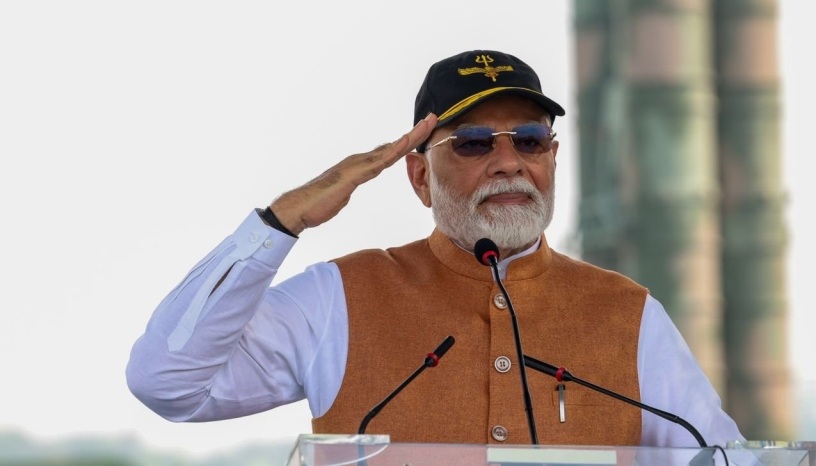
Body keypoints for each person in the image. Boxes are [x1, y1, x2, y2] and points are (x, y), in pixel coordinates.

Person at [126, 49, 744, 448]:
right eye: (474, 143)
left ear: (552, 158)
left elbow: (720, 457)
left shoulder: (626, 312)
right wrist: (280, 221)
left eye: (529, 140)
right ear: (420, 176)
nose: (509, 162)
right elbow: (167, 382)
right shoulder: (339, 298)